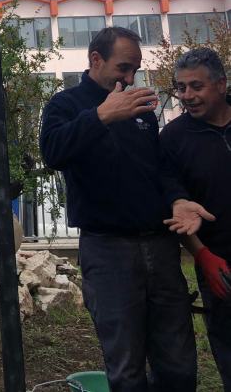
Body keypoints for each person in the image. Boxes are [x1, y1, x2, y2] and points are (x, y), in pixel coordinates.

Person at [40, 26, 200, 392]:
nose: (129, 78)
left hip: (160, 246)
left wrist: (177, 198)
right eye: (123, 67)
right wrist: (101, 116)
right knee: (126, 367)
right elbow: (52, 151)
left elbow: (159, 167)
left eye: (135, 70)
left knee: (177, 360)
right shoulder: (66, 105)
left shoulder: (141, 109)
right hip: (108, 250)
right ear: (96, 59)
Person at [159, 47, 231, 391]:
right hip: (222, 265)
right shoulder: (172, 140)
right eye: (181, 87)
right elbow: (176, 210)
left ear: (221, 84)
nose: (187, 96)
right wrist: (202, 255)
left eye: (196, 87)